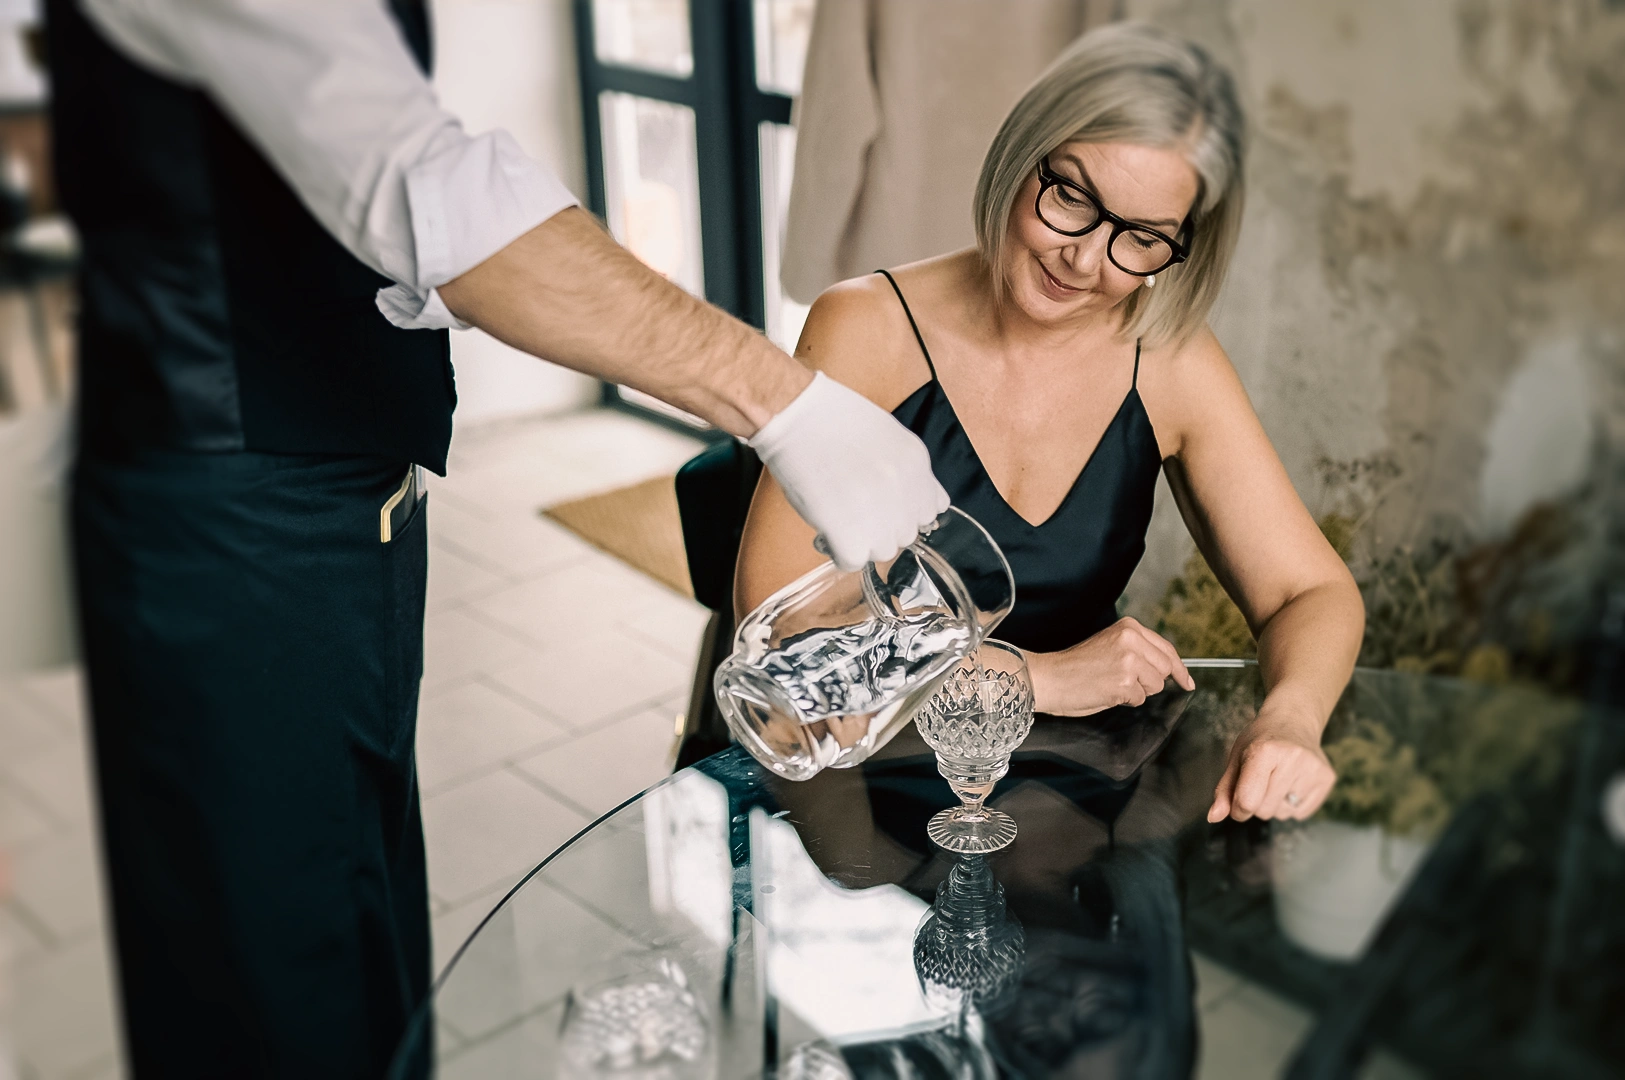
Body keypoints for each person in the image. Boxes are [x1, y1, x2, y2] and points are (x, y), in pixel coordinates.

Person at [45, 0, 946, 1075]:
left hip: (336, 501)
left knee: (358, 914)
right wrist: (785, 402)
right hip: (225, 515)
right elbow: (426, 189)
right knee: (273, 977)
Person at [735, 23, 1366, 827]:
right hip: (871, 786)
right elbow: (785, 644)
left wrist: (1290, 719)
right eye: (1070, 197)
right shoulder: (866, 327)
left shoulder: (1169, 361)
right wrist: (1033, 678)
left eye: (1139, 237)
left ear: (1178, 247)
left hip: (1077, 802)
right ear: (1020, 154)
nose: (1084, 259)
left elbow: (1310, 592)